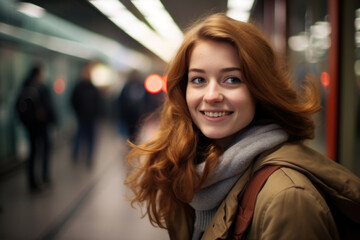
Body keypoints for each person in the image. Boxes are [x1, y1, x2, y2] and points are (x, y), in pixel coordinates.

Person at [125, 13, 360, 240]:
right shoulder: (189, 170)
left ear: (260, 89)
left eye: (232, 79)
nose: (212, 95)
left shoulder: (287, 198)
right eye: (198, 79)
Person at [16, 64, 56, 191]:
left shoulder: (25, 86)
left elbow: (17, 107)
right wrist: (53, 121)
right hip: (41, 125)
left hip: (30, 126)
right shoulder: (41, 87)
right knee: (45, 150)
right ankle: (44, 176)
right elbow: (48, 107)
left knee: (32, 153)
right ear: (38, 74)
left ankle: (32, 182)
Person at [70, 64, 101, 167]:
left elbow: (98, 102)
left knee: (91, 139)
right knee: (79, 136)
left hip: (91, 117)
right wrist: (78, 112)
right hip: (82, 117)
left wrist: (96, 113)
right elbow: (73, 100)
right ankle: (75, 154)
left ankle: (89, 158)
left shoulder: (93, 88)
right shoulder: (78, 87)